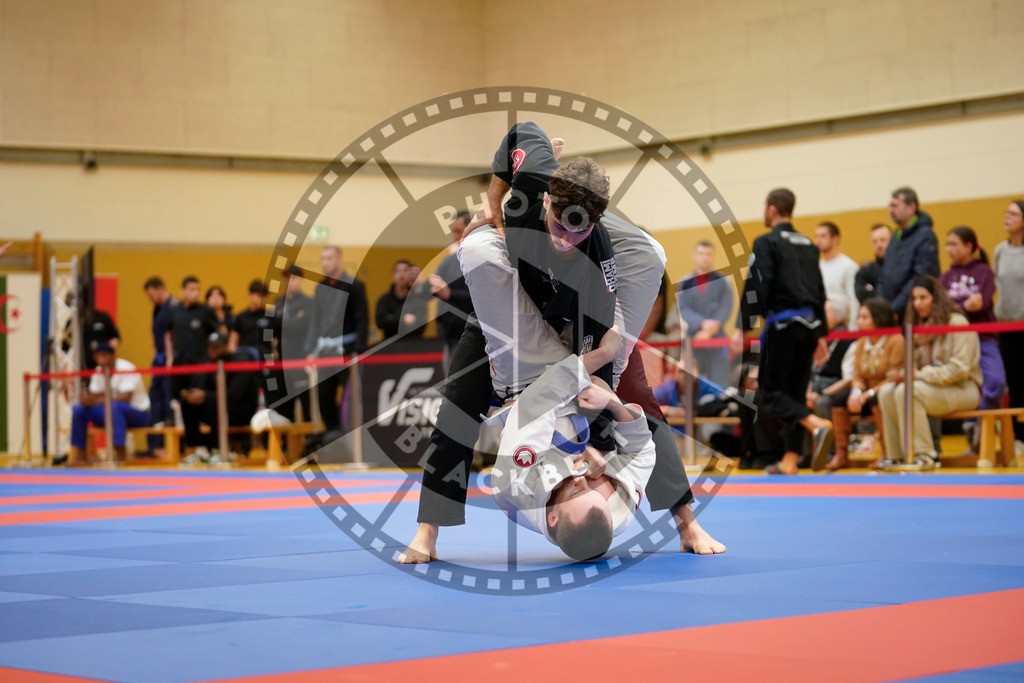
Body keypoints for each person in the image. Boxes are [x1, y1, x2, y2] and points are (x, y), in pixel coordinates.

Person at [399, 122, 723, 564]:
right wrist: (493, 202)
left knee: (637, 397)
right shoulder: (534, 180)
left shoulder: (600, 256)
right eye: (558, 225)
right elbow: (517, 134)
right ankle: (426, 532)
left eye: (579, 232)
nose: (565, 239)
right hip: (509, 310)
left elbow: (601, 365)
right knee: (458, 403)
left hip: (581, 323)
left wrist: (601, 422)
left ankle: (688, 523)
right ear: (546, 199)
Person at [489, 350, 655, 562]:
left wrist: (603, 354)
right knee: (619, 322)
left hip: (529, 379)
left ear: (553, 517)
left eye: (576, 492)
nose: (581, 479)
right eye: (594, 490)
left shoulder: (513, 488)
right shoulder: (619, 509)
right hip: (596, 393)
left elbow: (538, 400)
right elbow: (642, 453)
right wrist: (613, 403)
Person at [732, 188, 833, 475]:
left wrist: (744, 325)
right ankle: (790, 461)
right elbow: (819, 290)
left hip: (783, 326)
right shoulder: (809, 245)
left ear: (773, 209)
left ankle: (816, 424)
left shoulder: (767, 242)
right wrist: (822, 333)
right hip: (810, 324)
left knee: (771, 392)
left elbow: (757, 283)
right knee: (795, 394)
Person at [876, 276, 981, 470]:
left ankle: (925, 455)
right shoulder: (916, 328)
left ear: (936, 298)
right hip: (929, 386)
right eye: (914, 299)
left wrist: (919, 375)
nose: (918, 303)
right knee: (887, 391)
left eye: (923, 297)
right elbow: (914, 369)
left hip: (963, 388)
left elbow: (960, 370)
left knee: (909, 392)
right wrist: (902, 374)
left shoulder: (957, 323)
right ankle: (896, 455)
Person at [940, 226, 1007, 452]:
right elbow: (942, 310)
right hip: (957, 341)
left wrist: (958, 308)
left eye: (954, 244)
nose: (949, 249)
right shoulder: (945, 277)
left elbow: (983, 303)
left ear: (969, 246)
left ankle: (980, 427)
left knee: (996, 383)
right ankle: (973, 435)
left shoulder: (984, 271)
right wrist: (963, 306)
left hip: (984, 337)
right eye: (947, 244)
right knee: (962, 384)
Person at [828, 298, 904, 470]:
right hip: (864, 393)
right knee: (838, 399)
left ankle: (887, 451)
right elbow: (858, 375)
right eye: (859, 317)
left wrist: (869, 393)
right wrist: (856, 391)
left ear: (878, 318)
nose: (859, 322)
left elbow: (894, 376)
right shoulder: (862, 342)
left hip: (886, 391)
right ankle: (841, 454)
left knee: (878, 398)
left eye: (864, 317)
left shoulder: (896, 340)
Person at [305, 246, 369, 433]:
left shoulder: (355, 286)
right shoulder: (320, 288)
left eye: (329, 258)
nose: (325, 262)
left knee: (350, 397)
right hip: (325, 350)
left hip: (348, 349)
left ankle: (352, 434)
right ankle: (332, 434)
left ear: (339, 259)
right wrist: (310, 349)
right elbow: (315, 321)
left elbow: (362, 319)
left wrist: (358, 350)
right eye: (322, 259)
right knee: (324, 395)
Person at [179, 332, 261, 466]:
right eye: (210, 346)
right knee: (188, 404)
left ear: (225, 347)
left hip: (242, 410)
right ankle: (199, 449)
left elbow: (234, 395)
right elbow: (201, 387)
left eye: (216, 347)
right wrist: (193, 395)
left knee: (214, 403)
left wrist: (205, 396)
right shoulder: (211, 363)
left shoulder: (240, 361)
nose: (212, 350)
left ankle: (219, 450)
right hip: (218, 408)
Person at [67, 343, 150, 465]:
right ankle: (80, 454)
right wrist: (87, 399)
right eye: (98, 356)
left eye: (104, 355)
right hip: (110, 413)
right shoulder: (98, 372)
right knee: (79, 409)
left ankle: (120, 453)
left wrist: (96, 399)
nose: (100, 359)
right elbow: (94, 395)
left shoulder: (126, 368)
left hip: (137, 413)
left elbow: (126, 397)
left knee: (115, 407)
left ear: (113, 356)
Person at [676, 240, 733, 388]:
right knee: (693, 379)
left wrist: (710, 329)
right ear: (694, 256)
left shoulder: (723, 281)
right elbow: (684, 308)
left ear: (713, 257)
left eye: (708, 254)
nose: (705, 258)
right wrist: (702, 324)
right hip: (693, 337)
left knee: (720, 378)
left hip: (718, 338)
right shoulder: (684, 283)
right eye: (701, 254)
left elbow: (726, 308)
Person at [877, 187, 940, 319]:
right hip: (891, 312)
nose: (890, 210)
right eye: (890, 206)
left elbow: (921, 276)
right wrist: (881, 307)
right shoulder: (895, 237)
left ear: (911, 207)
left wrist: (895, 307)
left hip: (914, 312)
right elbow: (885, 274)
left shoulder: (925, 235)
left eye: (895, 206)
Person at [804, 297, 854, 456]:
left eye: (825, 313)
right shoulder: (816, 339)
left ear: (838, 317)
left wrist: (823, 393)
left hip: (834, 388)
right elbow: (809, 370)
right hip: (814, 385)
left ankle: (828, 453)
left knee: (822, 402)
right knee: (799, 402)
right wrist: (808, 393)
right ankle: (804, 454)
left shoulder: (849, 340)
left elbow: (848, 379)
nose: (820, 317)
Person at [993, 200, 1024, 452]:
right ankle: (1018, 437)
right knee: (1013, 381)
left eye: (1013, 214)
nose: (1007, 217)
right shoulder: (1000, 250)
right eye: (1006, 212)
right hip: (1007, 326)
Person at [430, 210, 475, 367]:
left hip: (471, 331)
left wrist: (450, 294)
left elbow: (478, 298)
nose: (455, 236)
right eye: (453, 232)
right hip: (450, 332)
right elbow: (437, 292)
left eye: (459, 231)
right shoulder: (448, 260)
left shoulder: (479, 258)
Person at [166, 276, 219, 405]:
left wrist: (212, 356)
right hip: (180, 364)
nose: (195, 293)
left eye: (197, 290)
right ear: (182, 291)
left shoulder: (205, 311)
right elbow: (168, 334)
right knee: (179, 400)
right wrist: (170, 356)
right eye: (191, 289)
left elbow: (220, 331)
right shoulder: (175, 311)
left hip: (200, 365)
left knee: (196, 400)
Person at [271, 265, 313, 422]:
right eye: (287, 278)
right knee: (284, 402)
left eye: (293, 278)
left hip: (301, 358)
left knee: (305, 402)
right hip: (282, 359)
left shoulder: (308, 302)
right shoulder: (278, 303)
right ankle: (286, 443)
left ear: (301, 280)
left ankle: (310, 441)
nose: (289, 281)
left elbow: (303, 326)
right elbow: (272, 326)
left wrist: (286, 324)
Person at [142, 276, 178, 455]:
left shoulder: (174, 307)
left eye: (151, 294)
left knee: (167, 401)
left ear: (160, 288)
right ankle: (154, 446)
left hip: (170, 361)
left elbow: (173, 335)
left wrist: (171, 357)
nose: (149, 299)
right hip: (159, 361)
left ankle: (168, 446)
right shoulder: (156, 309)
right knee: (154, 399)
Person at [815, 222, 859, 328]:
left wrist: (853, 327)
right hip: (820, 316)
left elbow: (854, 298)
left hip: (841, 322)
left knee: (829, 306)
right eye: (816, 236)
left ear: (835, 239)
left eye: (823, 236)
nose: (818, 241)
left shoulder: (848, 266)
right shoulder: (816, 266)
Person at [375, 260, 427, 340]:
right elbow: (380, 323)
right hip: (389, 344)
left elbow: (420, 328)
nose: (401, 274)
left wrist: (391, 319)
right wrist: (403, 319)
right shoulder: (384, 299)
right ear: (393, 274)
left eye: (405, 271)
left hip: (413, 344)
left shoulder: (419, 300)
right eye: (398, 271)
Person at [230, 279, 271, 355]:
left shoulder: (271, 317)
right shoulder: (241, 317)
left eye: (264, 295)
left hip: (265, 357)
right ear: (250, 295)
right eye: (258, 295)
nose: (262, 298)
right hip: (246, 357)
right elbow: (232, 343)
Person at [854, 224, 892, 303]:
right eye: (874, 242)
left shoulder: (901, 267)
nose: (879, 245)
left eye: (883, 240)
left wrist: (873, 290)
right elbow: (860, 294)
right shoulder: (865, 272)